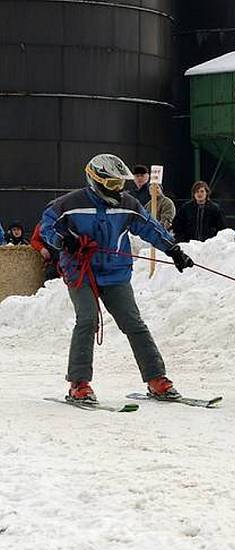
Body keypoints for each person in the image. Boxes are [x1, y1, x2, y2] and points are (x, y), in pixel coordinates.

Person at [40, 153, 194, 404]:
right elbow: (47, 226)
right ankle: (79, 383)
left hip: (115, 273)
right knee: (87, 320)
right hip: (81, 272)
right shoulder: (69, 204)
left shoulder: (127, 204)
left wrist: (174, 250)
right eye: (112, 184)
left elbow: (150, 227)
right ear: (95, 180)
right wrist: (64, 240)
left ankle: (157, 379)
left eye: (120, 184)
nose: (118, 189)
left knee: (134, 323)